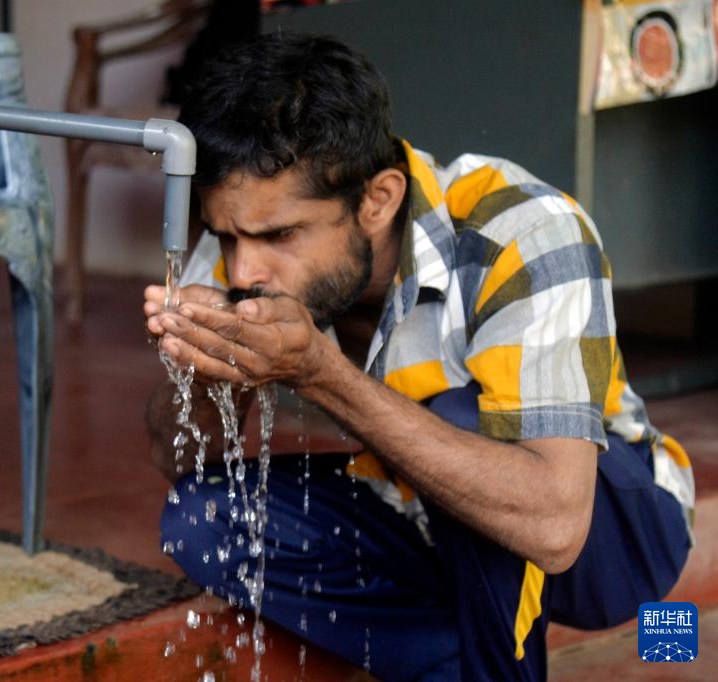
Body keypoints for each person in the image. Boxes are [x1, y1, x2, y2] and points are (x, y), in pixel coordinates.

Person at [142, 33, 694, 681]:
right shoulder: (244, 244)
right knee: (201, 518)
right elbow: (177, 456)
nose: (245, 267)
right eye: (225, 236)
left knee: (462, 415)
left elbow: (555, 526)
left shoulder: (524, 230)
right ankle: (452, 663)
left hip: (609, 531)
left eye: (280, 235)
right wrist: (210, 373)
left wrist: (320, 374)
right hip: (416, 507)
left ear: (377, 200)